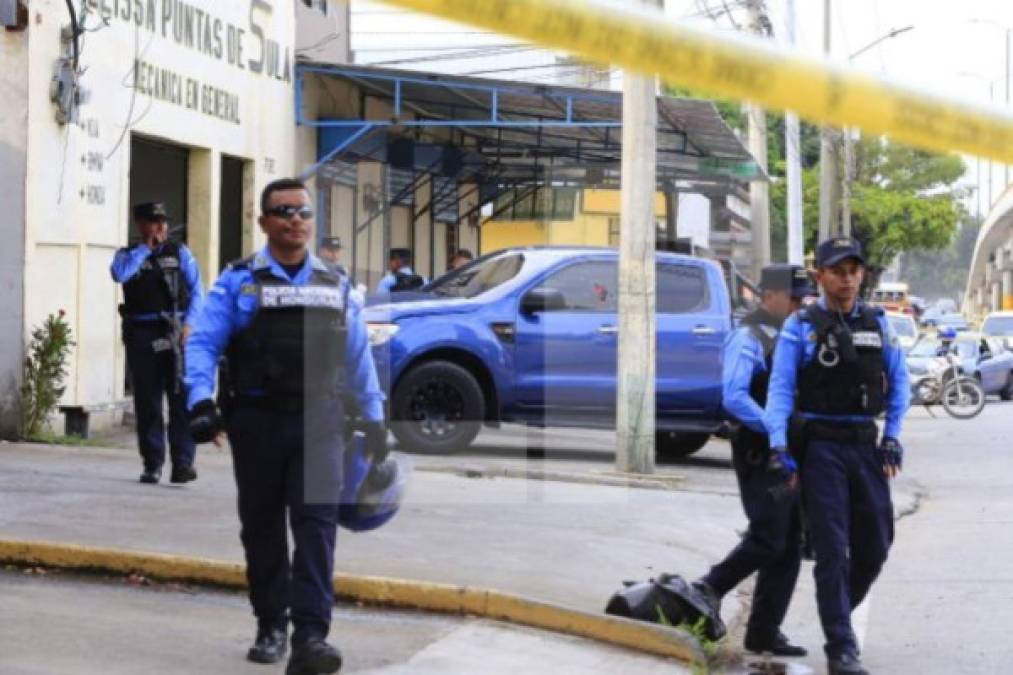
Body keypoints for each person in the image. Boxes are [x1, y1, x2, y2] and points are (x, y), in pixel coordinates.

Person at [184, 178, 388, 675]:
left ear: (312, 221)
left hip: (320, 421)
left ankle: (311, 637)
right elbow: (204, 343)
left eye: (302, 212)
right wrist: (200, 400)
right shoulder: (239, 281)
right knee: (263, 527)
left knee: (316, 527)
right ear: (263, 221)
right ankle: (271, 623)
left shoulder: (335, 285)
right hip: (255, 422)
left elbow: (357, 354)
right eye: (282, 211)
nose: (294, 220)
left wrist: (376, 418)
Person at [764, 238, 911, 675]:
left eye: (853, 269)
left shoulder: (878, 323)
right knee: (831, 548)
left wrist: (894, 436)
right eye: (837, 270)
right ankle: (840, 647)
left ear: (862, 274)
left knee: (876, 545)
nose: (847, 278)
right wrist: (778, 446)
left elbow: (899, 383)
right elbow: (781, 389)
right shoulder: (801, 326)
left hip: (865, 447)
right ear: (821, 276)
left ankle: (839, 613)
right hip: (821, 448)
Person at [689, 264, 815, 657]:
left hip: (789, 452)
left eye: (802, 298)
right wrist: (774, 430)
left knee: (790, 542)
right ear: (768, 296)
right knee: (769, 535)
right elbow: (734, 395)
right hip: (759, 450)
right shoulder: (748, 336)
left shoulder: (793, 335)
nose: (798, 304)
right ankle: (708, 586)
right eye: (792, 297)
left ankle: (763, 631)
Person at [110, 202, 203, 485]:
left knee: (181, 400)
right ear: (140, 224)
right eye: (154, 221)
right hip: (143, 333)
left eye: (163, 221)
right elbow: (120, 275)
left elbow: (198, 291)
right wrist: (143, 251)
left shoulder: (180, 253)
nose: (161, 227)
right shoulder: (126, 255)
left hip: (176, 331)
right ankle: (152, 464)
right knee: (148, 401)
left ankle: (183, 464)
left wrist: (190, 326)